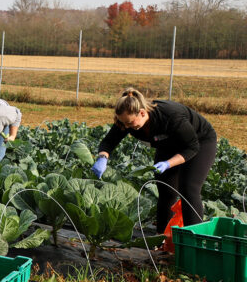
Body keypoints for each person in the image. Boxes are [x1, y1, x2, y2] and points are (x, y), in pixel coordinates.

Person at [92, 88, 217, 232]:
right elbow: (109, 142)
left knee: (189, 189)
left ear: (142, 113)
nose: (126, 127)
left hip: (200, 141)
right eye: (124, 124)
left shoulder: (170, 116)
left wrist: (168, 163)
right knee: (165, 190)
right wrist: (102, 158)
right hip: (168, 144)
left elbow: (192, 147)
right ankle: (162, 238)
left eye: (129, 123)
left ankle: (194, 239)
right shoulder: (126, 119)